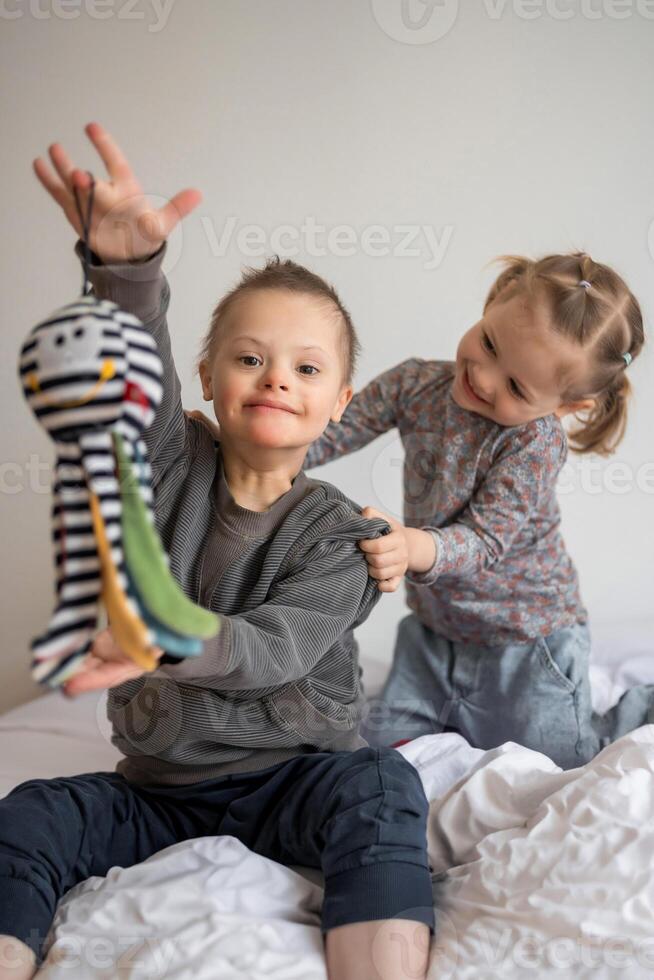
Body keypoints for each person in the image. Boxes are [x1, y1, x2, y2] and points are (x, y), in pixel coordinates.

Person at [0, 123, 433, 980]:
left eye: (307, 369)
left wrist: (170, 635)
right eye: (250, 357)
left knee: (383, 790)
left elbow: (276, 648)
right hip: (162, 786)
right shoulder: (169, 466)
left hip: (298, 776)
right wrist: (126, 271)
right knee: (30, 813)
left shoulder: (343, 535)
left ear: (340, 400)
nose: (276, 378)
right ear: (207, 377)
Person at [298, 250, 650, 770]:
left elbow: (484, 541)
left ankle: (635, 707)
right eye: (488, 342)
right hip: (434, 638)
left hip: (527, 644)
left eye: (516, 387)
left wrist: (411, 544)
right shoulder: (416, 384)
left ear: (565, 406)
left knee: (565, 761)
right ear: (492, 303)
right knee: (377, 754)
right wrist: (252, 444)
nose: (484, 378)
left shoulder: (535, 442)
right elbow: (329, 433)